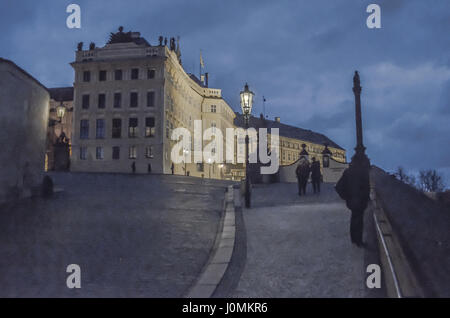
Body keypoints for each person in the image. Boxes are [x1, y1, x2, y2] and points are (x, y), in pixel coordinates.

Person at [335, 155, 370, 247]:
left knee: (354, 218)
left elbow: (338, 187)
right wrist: (366, 199)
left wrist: (346, 197)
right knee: (359, 221)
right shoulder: (363, 172)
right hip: (360, 200)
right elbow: (366, 188)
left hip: (351, 200)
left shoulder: (348, 171)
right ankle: (358, 241)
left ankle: (354, 239)